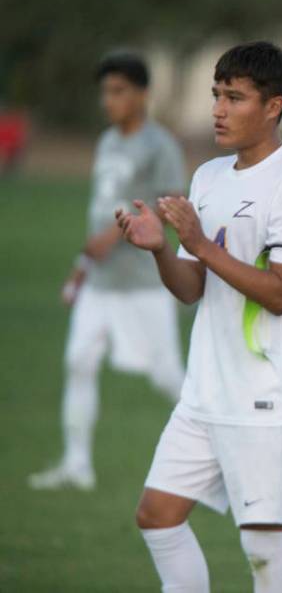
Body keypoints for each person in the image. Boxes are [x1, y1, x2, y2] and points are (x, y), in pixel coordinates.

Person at [117, 41, 282, 592]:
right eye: (216, 94)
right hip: (207, 392)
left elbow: (281, 294)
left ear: (274, 106)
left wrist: (200, 243)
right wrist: (163, 248)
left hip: (270, 395)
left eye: (234, 97)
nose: (218, 108)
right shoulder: (208, 177)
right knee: (157, 516)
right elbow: (191, 289)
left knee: (263, 545)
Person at [29, 52, 185, 492]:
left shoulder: (161, 146)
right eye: (105, 92)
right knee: (78, 362)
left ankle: (226, 445)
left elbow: (173, 206)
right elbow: (98, 215)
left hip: (142, 283)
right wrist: (81, 268)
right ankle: (77, 465)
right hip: (100, 282)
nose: (109, 101)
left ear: (142, 94)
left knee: (168, 376)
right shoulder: (107, 143)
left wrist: (117, 236)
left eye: (118, 91)